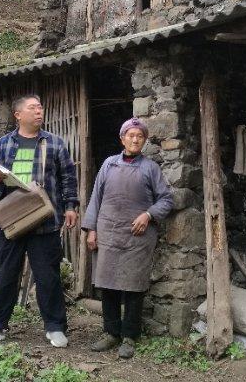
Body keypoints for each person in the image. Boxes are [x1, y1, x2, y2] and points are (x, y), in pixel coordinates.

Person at [0, 94, 79, 348]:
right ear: (18, 115)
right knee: (4, 275)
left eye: (40, 107)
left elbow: (68, 177)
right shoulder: (2, 144)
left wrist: (71, 206)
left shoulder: (54, 143)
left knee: (48, 276)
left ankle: (55, 327)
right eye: (33, 108)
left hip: (44, 220)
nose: (39, 111)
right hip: (11, 220)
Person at [82, 117, 174, 358]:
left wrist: (148, 214)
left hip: (137, 238)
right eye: (131, 135)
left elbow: (166, 199)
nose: (135, 139)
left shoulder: (150, 168)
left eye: (140, 136)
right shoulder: (109, 164)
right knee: (108, 283)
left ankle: (130, 336)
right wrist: (91, 229)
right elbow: (96, 198)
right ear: (122, 139)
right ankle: (111, 333)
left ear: (144, 141)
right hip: (109, 233)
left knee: (134, 286)